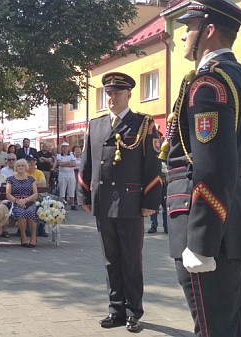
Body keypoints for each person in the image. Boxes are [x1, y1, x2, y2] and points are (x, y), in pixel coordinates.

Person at [160, 2, 241, 336]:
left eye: (187, 27)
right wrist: (239, 206)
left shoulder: (209, 84)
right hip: (231, 217)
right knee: (231, 323)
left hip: (207, 227)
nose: (181, 36)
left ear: (207, 31)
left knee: (213, 328)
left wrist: (203, 242)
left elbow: (212, 166)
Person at [77, 70, 162, 332]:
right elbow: (87, 162)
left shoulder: (144, 124)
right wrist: (84, 194)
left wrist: (150, 200)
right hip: (103, 202)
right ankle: (115, 309)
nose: (112, 97)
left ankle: (134, 311)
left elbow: (152, 165)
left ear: (129, 94)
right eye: (109, 93)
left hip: (131, 203)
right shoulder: (96, 125)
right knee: (110, 259)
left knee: (131, 261)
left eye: (118, 92)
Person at [6, 159, 39, 248]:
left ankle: (33, 236)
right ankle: (23, 236)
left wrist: (26, 200)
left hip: (29, 202)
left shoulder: (31, 179)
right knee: (22, 213)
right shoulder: (10, 179)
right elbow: (8, 194)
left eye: (22, 166)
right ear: (16, 167)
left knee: (31, 213)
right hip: (16, 202)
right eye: (19, 166)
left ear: (26, 167)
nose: (21, 167)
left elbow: (35, 194)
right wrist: (17, 201)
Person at [56, 142, 77, 210]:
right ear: (61, 148)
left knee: (71, 188)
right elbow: (60, 164)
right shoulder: (59, 155)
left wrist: (64, 163)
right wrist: (68, 162)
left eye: (66, 147)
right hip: (62, 174)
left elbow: (74, 164)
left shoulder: (71, 155)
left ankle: (72, 204)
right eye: (63, 147)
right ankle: (61, 204)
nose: (65, 149)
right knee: (62, 189)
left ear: (68, 148)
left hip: (71, 174)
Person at [148, 161, 168, 233]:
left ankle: (166, 226)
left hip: (164, 182)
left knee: (165, 205)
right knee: (154, 204)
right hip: (155, 182)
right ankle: (153, 225)